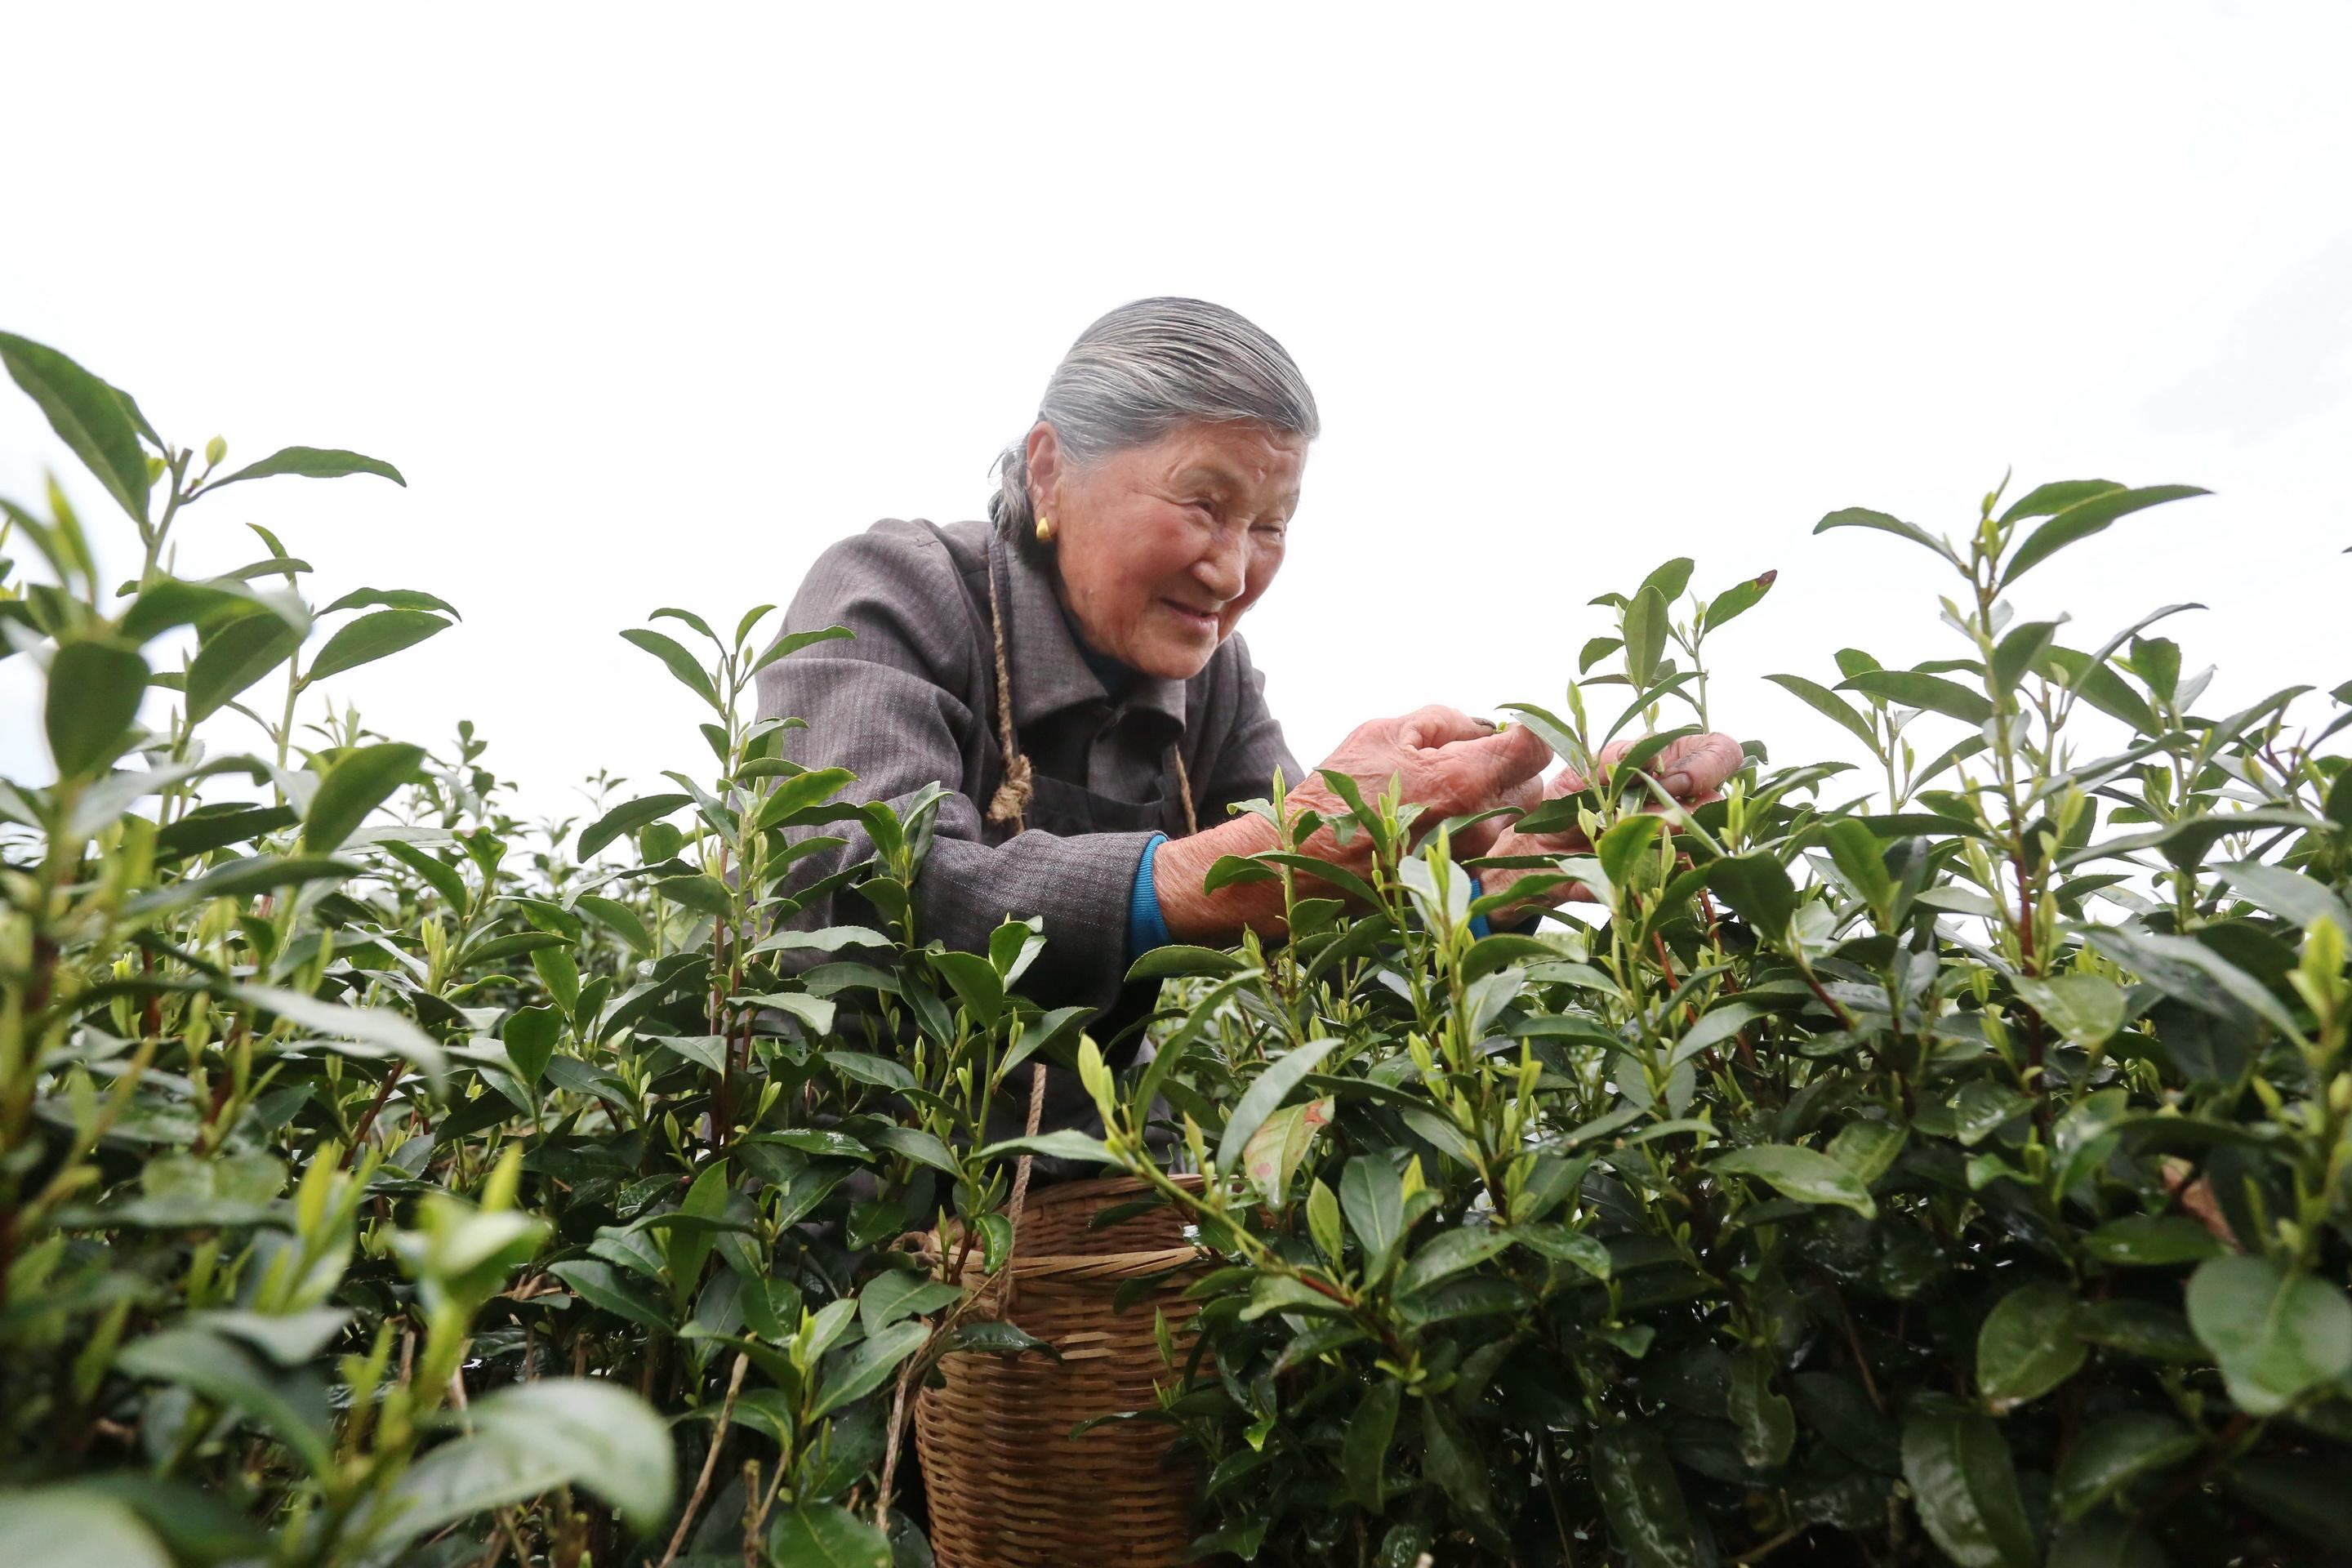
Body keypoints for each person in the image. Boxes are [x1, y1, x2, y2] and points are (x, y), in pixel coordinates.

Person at [755, 297, 1741, 1147]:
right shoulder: (894, 593)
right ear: (1051, 469)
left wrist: (1525, 868)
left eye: (1272, 525)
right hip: (853, 1218)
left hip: (1095, 1233)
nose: (1233, 573)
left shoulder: (1214, 686)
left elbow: (1330, 934)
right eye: (1203, 503)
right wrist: (1234, 866)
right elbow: (865, 884)